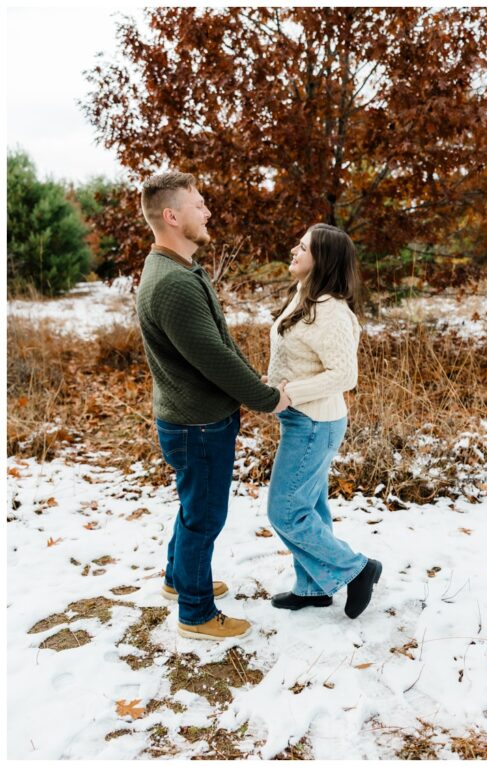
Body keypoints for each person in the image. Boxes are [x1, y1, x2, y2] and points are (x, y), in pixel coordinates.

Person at [135, 171, 290, 641]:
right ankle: (196, 613)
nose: (207, 211)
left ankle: (177, 578)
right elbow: (215, 358)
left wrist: (251, 378)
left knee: (193, 507)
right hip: (197, 424)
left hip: (192, 417)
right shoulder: (174, 282)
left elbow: (214, 343)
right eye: (198, 204)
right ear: (172, 215)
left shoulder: (176, 268)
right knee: (204, 516)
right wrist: (267, 398)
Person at [265, 224, 382, 618]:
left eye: (303, 248)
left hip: (314, 423)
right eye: (297, 244)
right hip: (304, 420)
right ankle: (313, 589)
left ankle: (358, 569)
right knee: (310, 507)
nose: (294, 251)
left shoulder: (330, 310)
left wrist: (288, 393)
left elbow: (344, 375)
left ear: (323, 260)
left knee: (285, 510)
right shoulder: (305, 297)